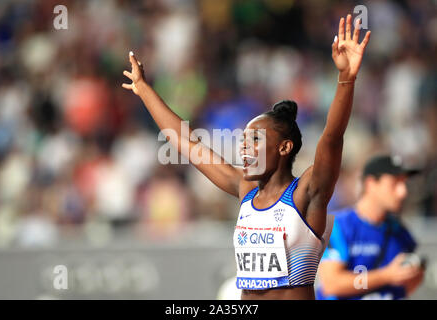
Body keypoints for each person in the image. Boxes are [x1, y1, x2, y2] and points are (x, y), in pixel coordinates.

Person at [122, 15, 370, 300]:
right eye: (242, 141)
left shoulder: (307, 192)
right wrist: (144, 90)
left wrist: (346, 79)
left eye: (254, 140)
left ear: (284, 148)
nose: (243, 148)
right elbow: (187, 143)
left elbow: (332, 136)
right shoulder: (246, 190)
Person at [316, 155, 425, 300]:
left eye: (404, 183)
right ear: (371, 183)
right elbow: (332, 284)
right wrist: (386, 276)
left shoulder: (400, 231)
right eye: (395, 183)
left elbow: (405, 287)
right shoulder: (339, 226)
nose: (403, 192)